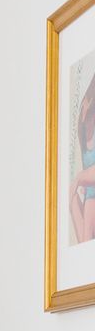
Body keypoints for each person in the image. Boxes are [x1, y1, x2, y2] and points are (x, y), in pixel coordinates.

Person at [70, 68, 95, 243]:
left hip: (92, 199)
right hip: (89, 198)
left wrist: (80, 178)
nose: (85, 114)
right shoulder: (83, 136)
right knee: (71, 201)